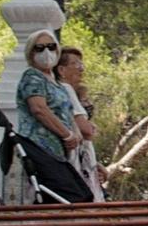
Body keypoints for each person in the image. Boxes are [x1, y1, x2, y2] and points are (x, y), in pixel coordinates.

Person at [16, 31, 93, 172]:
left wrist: (76, 135)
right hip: (39, 149)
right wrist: (67, 135)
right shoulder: (32, 77)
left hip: (60, 154)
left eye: (51, 47)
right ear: (30, 53)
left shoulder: (57, 84)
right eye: (39, 48)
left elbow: (68, 113)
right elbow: (39, 109)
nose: (46, 51)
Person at [53, 46, 108, 200]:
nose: (81, 69)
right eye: (76, 64)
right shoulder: (65, 88)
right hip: (78, 162)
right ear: (61, 70)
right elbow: (86, 130)